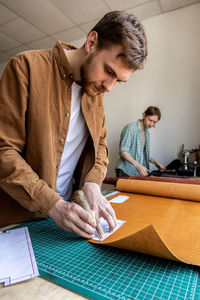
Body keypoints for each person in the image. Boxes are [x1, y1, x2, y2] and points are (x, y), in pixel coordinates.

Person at [0, 11, 147, 239]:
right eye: (108, 71)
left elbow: (101, 148)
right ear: (91, 42)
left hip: (69, 220)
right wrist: (52, 204)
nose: (109, 87)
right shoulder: (25, 67)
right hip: (19, 221)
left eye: (118, 80)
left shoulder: (96, 93)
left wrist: (92, 184)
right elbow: (4, 152)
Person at [116, 106, 165, 177]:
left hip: (136, 173)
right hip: (125, 171)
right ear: (144, 115)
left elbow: (142, 154)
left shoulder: (146, 133)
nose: (152, 124)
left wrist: (155, 162)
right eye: (150, 120)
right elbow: (123, 152)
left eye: (154, 122)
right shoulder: (130, 128)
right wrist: (138, 165)